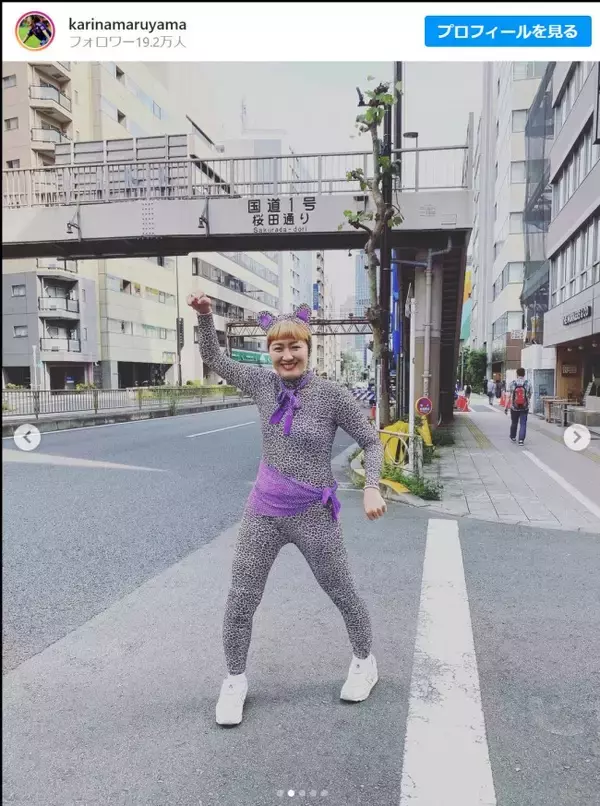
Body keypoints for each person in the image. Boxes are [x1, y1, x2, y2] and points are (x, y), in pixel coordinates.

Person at [187, 292, 387, 727]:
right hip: (263, 512)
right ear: (270, 352)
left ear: (307, 348)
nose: (286, 355)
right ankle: (235, 680)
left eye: (294, 346)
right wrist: (205, 316)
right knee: (241, 597)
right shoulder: (263, 385)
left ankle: (364, 661)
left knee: (341, 591)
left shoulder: (332, 396)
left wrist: (372, 486)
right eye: (278, 347)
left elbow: (372, 442)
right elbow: (214, 358)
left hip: (314, 515)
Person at [504, 368, 532, 445]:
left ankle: (513, 436)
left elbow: (508, 396)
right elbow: (530, 395)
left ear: (517, 374)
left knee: (514, 422)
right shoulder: (528, 383)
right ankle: (521, 440)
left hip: (514, 407)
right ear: (524, 374)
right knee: (523, 423)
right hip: (524, 407)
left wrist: (506, 407)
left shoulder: (512, 383)